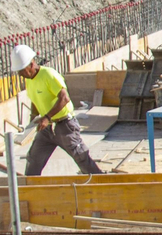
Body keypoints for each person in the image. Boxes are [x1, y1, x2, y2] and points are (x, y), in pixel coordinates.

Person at [11, 44, 103, 176]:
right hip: (47, 128)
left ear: (31, 64)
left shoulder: (48, 74)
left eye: (22, 71)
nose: (20, 74)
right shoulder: (30, 80)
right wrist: (34, 116)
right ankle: (30, 189)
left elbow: (64, 98)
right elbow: (35, 99)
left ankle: (100, 181)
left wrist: (47, 117)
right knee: (33, 159)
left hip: (65, 126)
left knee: (81, 157)